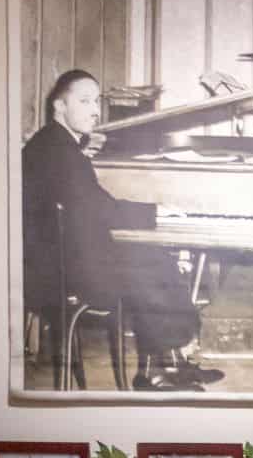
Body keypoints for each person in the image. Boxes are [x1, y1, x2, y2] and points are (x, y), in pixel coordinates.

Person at [21, 69, 223, 391]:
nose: (94, 109)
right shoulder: (59, 150)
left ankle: (171, 363)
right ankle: (161, 370)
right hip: (58, 274)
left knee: (152, 257)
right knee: (152, 263)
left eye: (96, 101)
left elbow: (91, 203)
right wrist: (156, 212)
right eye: (84, 100)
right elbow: (97, 208)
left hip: (58, 260)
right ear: (59, 106)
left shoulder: (56, 143)